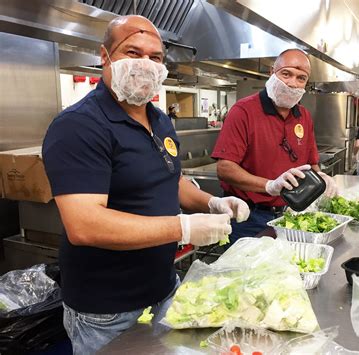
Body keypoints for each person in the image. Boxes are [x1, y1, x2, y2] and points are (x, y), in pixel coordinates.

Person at [42, 15, 250, 354]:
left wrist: (211, 203)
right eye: (132, 52)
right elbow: (84, 224)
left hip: (164, 288)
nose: (145, 64)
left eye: (155, 57)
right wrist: (182, 227)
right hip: (107, 309)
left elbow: (172, 179)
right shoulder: (80, 125)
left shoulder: (159, 119)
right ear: (105, 56)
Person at [211, 48, 337, 245]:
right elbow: (225, 168)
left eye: (301, 78)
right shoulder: (244, 111)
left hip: (289, 215)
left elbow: (312, 164)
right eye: (286, 74)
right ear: (272, 72)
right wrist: (269, 186)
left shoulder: (303, 116)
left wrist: (321, 178)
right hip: (248, 218)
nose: (292, 83)